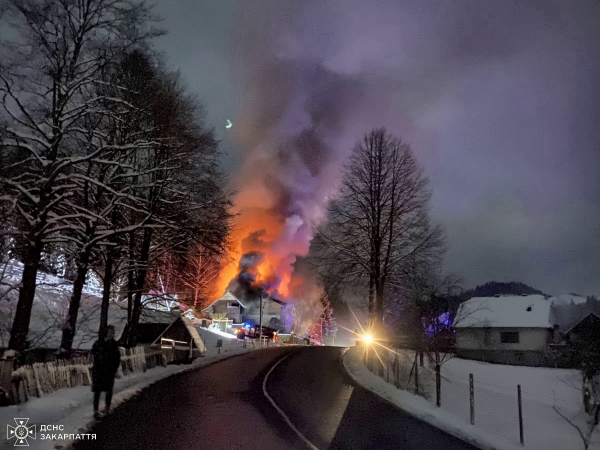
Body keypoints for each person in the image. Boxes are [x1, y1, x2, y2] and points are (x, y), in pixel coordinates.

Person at [91, 325, 121, 418]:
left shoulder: (114, 344)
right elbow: (93, 353)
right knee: (97, 391)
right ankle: (96, 411)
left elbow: (117, 357)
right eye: (110, 332)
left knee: (109, 390)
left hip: (109, 371)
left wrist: (114, 369)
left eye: (113, 333)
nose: (111, 334)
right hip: (99, 371)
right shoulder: (99, 343)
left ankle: (107, 408)